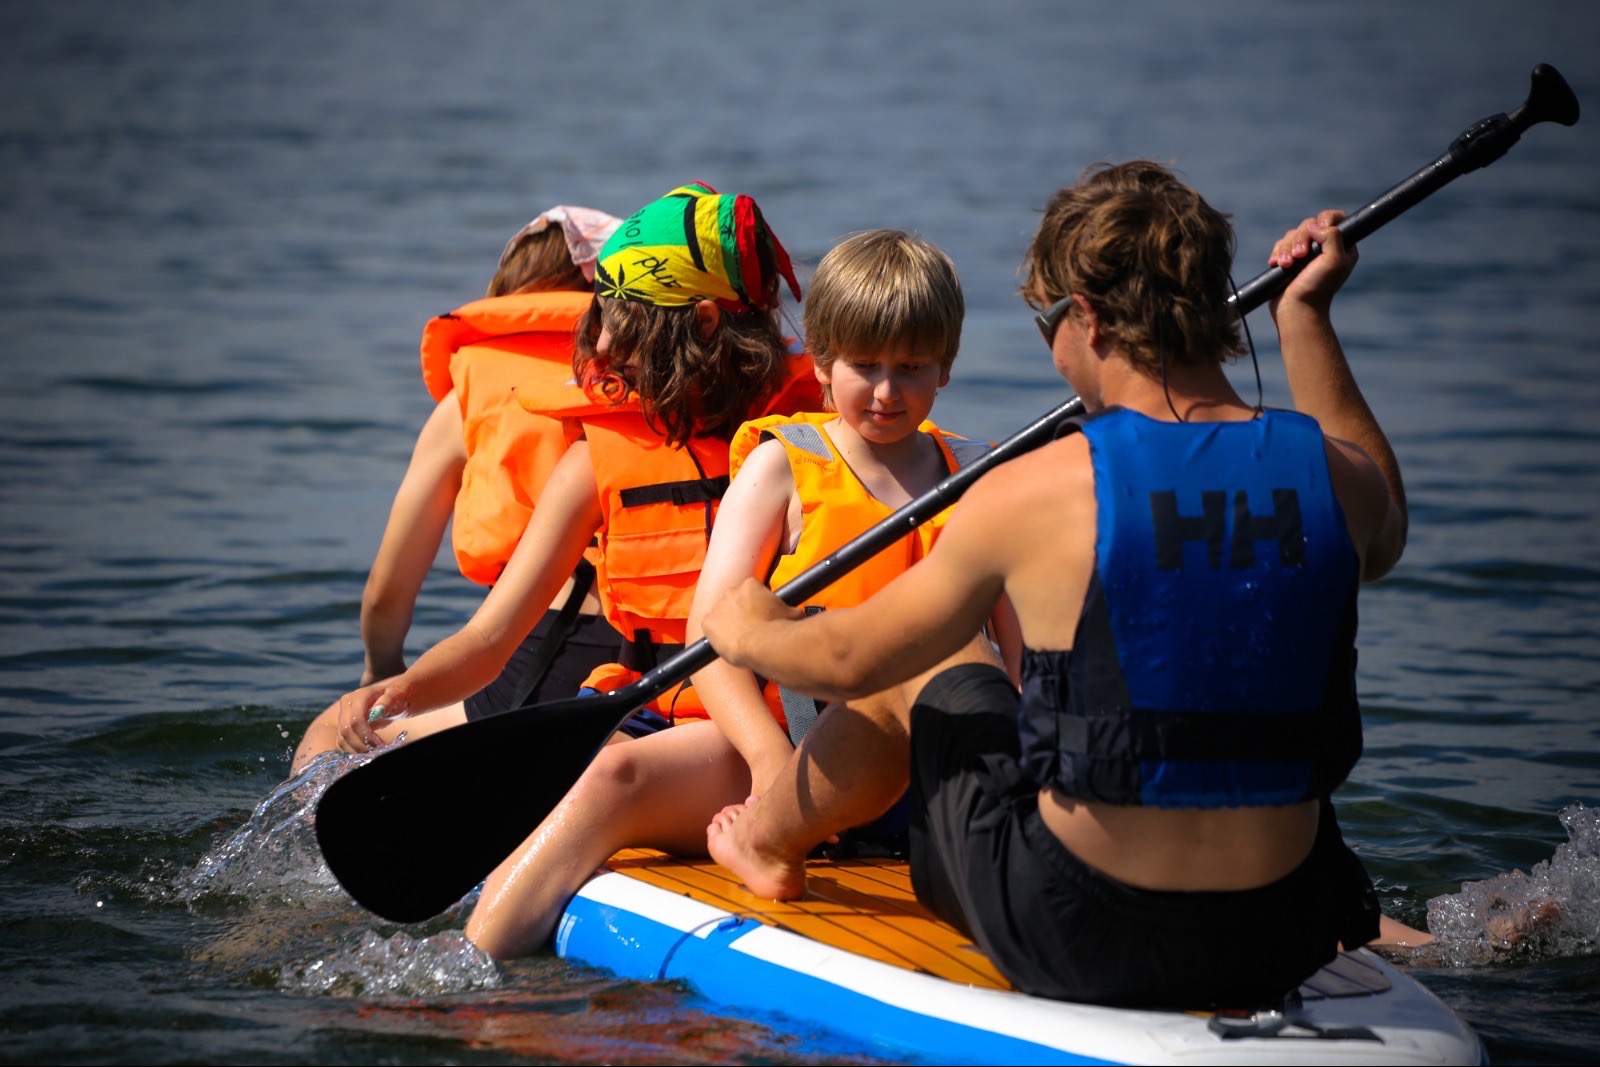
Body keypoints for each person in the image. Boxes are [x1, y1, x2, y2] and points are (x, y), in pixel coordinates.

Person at [702, 161, 1414, 1009]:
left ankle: (767, 843)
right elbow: (1386, 531)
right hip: (1283, 934)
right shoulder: (1340, 480)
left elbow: (851, 657)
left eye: (1047, 323)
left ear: (1084, 319)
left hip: (1087, 934)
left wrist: (746, 626)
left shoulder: (1039, 488)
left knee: (931, 654)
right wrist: (1307, 316)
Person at [463, 227, 990, 958]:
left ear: (947, 365)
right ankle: (471, 962)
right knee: (613, 771)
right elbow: (712, 640)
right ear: (827, 357)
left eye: (912, 366)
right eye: (865, 365)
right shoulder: (781, 467)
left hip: (910, 758)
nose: (887, 390)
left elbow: (1014, 657)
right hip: (771, 751)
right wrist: (772, 762)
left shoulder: (979, 476)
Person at [307, 181, 820, 768]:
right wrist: (404, 690)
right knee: (598, 762)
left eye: (624, 324)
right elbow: (486, 640)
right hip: (650, 714)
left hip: (768, 728)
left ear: (704, 322)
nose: (600, 344)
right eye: (600, 318)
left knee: (603, 771)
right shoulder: (595, 458)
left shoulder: (805, 444)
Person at [293, 207, 624, 771]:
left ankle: (322, 854)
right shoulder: (654, 384)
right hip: (654, 646)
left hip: (544, 647)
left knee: (332, 728)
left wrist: (383, 671)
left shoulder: (472, 393)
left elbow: (387, 593)